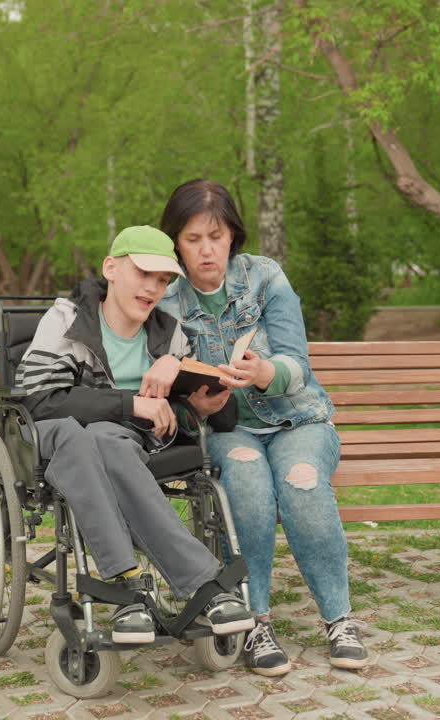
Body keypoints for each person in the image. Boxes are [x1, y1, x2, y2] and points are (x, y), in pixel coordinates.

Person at [155, 179, 368, 676]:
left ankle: (339, 619)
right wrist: (199, 408)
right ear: (177, 245)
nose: (207, 250)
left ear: (232, 235)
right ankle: (255, 621)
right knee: (247, 488)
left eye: (216, 235)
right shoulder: (168, 303)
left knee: (302, 482)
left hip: (297, 419)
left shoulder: (265, 278)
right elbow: (171, 391)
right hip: (231, 431)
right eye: (192, 239)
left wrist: (267, 373)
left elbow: (299, 363)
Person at [14, 224, 253, 645]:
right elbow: (38, 400)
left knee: (107, 438)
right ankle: (201, 582)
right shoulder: (68, 321)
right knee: (87, 436)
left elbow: (223, 414)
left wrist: (185, 380)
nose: (153, 288)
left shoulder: (167, 334)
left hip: (127, 441)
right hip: (57, 435)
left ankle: (128, 590)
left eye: (163, 280)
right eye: (144, 274)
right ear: (111, 268)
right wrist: (130, 404)